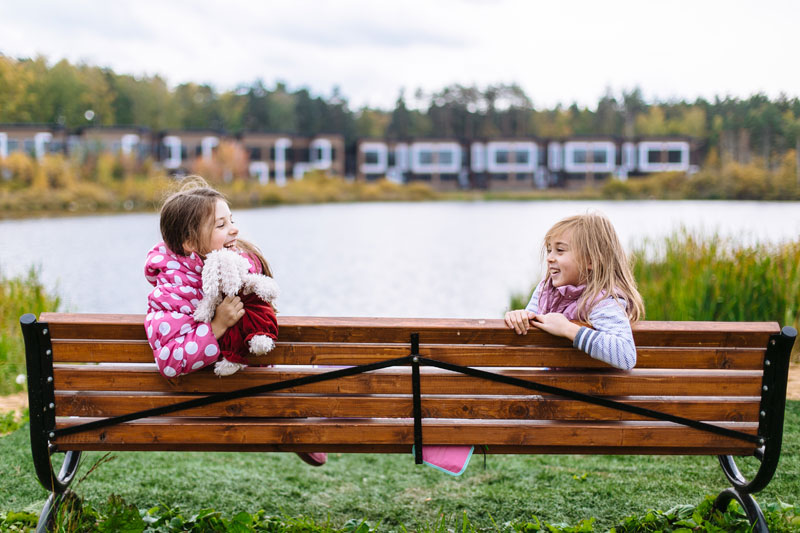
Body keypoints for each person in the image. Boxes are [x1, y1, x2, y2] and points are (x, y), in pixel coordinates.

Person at [144, 176, 327, 466]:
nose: (234, 229)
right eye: (221, 225)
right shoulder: (175, 291)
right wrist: (216, 326)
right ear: (190, 242)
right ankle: (290, 417)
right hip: (213, 400)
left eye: (231, 220)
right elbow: (169, 361)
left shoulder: (241, 267)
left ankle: (291, 415)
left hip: (241, 387)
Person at [504, 211, 644, 370]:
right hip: (554, 388)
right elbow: (528, 340)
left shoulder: (602, 302)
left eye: (560, 250)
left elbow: (626, 356)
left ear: (590, 260)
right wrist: (520, 317)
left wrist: (567, 329)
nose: (549, 257)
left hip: (588, 392)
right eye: (549, 250)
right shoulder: (545, 290)